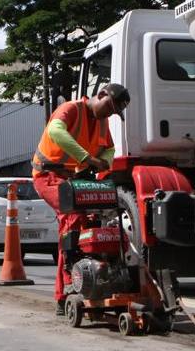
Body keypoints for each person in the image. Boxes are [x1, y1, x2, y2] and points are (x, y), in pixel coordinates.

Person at [31, 83, 130, 316]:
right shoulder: (71, 108)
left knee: (93, 221)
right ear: (101, 95)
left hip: (72, 178)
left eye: (115, 111)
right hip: (47, 175)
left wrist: (105, 160)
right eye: (110, 106)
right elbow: (56, 131)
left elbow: (110, 149)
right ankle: (66, 289)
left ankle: (88, 282)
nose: (110, 113)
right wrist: (86, 158)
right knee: (73, 217)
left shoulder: (102, 123)